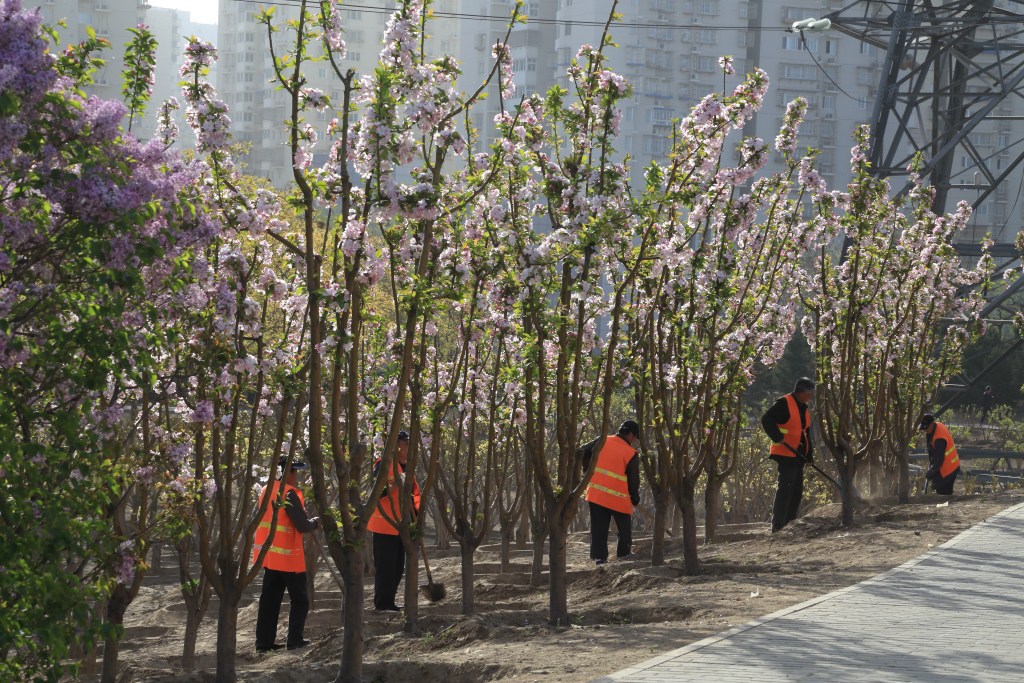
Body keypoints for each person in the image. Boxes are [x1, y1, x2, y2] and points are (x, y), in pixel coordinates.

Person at [253, 456, 320, 652]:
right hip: (288, 558)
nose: (296, 476)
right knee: (300, 599)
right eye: (294, 471)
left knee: (270, 600)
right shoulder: (288, 493)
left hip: (270, 556)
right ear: (286, 472)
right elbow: (302, 525)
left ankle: (264, 642)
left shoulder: (266, 490)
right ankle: (294, 640)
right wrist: (316, 522)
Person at [367, 430, 421, 611]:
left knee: (398, 567)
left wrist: (417, 521)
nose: (408, 447)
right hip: (384, 524)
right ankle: (382, 604)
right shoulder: (383, 465)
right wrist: (394, 484)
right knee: (385, 567)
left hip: (401, 526)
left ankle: (389, 601)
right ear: (396, 445)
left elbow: (415, 495)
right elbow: (377, 491)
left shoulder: (408, 467)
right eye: (405, 443)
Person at [582, 419, 642, 565]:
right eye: (635, 438)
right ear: (631, 434)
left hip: (596, 494)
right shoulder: (631, 453)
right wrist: (635, 498)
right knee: (624, 530)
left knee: (598, 528)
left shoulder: (602, 440)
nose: (634, 441)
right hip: (619, 498)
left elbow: (581, 452)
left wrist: (587, 471)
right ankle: (624, 556)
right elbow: (633, 481)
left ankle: (600, 559)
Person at [762, 378, 815, 532]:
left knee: (796, 491)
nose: (811, 397)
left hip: (798, 455)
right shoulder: (784, 403)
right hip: (785, 453)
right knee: (786, 489)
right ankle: (778, 526)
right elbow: (766, 420)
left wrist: (809, 455)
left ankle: (789, 523)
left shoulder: (803, 407)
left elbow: (806, 433)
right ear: (802, 392)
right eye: (810, 393)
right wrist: (777, 437)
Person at [920, 414, 961, 495]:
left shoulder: (940, 438)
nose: (925, 430)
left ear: (932, 424)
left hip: (949, 468)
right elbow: (932, 451)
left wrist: (931, 472)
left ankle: (945, 505)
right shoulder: (937, 426)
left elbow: (939, 459)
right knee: (939, 489)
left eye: (926, 428)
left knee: (943, 493)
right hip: (946, 465)